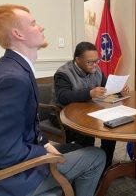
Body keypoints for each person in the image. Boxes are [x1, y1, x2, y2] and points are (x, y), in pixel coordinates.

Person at [0, 4, 106, 196]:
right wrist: (45, 154)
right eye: (33, 24)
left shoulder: (14, 68)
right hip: (16, 179)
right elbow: (3, 152)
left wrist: (45, 143)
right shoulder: (13, 79)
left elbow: (26, 126)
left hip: (26, 153)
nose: (41, 27)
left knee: (79, 146)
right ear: (18, 34)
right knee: (97, 155)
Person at [53, 41, 128, 169]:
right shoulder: (63, 73)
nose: (94, 65)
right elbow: (63, 96)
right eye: (90, 62)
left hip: (90, 110)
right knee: (86, 134)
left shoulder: (96, 69)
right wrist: (89, 93)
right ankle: (87, 167)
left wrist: (119, 88)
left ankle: (106, 166)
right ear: (77, 60)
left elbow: (105, 86)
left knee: (111, 126)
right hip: (64, 113)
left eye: (96, 61)